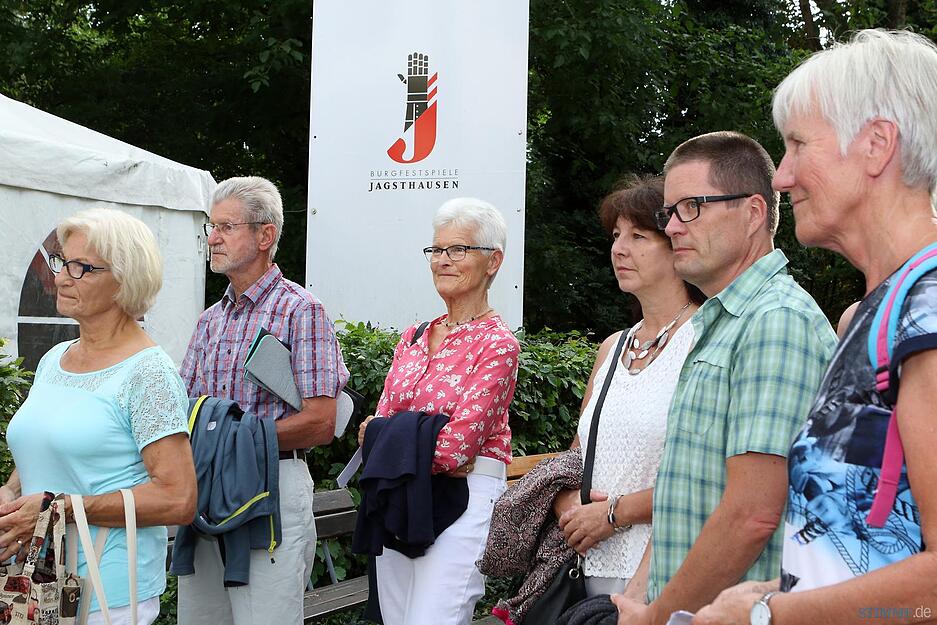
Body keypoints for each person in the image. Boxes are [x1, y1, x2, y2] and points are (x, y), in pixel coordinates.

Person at [695, 29, 937, 625]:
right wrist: (772, 596)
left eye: (799, 145)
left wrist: (769, 615)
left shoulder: (928, 309)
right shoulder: (872, 314)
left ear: (877, 145)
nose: (781, 176)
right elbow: (863, 546)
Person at [612, 131, 837, 625]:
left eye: (691, 207)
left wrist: (657, 616)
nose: (673, 227)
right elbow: (687, 495)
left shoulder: (776, 321)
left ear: (754, 213)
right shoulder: (726, 322)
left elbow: (751, 516)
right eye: (669, 213)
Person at [0, 208, 197, 625]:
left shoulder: (148, 373)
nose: (61, 278)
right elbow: (48, 444)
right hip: (38, 583)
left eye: (81, 267)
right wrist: (11, 492)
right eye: (62, 262)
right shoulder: (55, 358)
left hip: (107, 593)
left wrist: (60, 508)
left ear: (125, 280)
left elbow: (178, 498)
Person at [177, 176, 348, 625]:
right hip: (206, 485)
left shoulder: (302, 310)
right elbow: (184, 411)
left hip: (273, 480)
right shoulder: (209, 321)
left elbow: (321, 423)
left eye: (226, 227)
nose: (213, 238)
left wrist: (232, 440)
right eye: (211, 227)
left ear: (265, 235)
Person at [357, 197, 520, 625]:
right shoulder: (412, 337)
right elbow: (373, 431)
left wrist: (391, 438)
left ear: (493, 261)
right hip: (401, 495)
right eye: (437, 249)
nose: (442, 260)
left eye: (458, 249)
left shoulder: (497, 344)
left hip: (464, 501)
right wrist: (402, 437)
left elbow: (455, 449)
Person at [552, 175, 704, 600]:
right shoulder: (612, 348)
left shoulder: (706, 340)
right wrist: (569, 506)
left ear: (677, 245)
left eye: (638, 236)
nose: (619, 248)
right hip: (588, 568)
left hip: (666, 571)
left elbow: (707, 476)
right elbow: (576, 456)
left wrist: (613, 514)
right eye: (617, 235)